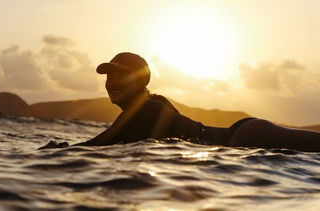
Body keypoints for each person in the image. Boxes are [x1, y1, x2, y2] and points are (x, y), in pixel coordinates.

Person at [39, 52, 320, 152]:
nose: (111, 82)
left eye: (120, 76)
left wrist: (53, 152)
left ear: (140, 82)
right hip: (242, 140)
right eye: (109, 75)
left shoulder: (146, 108)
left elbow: (99, 144)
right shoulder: (154, 104)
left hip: (245, 137)